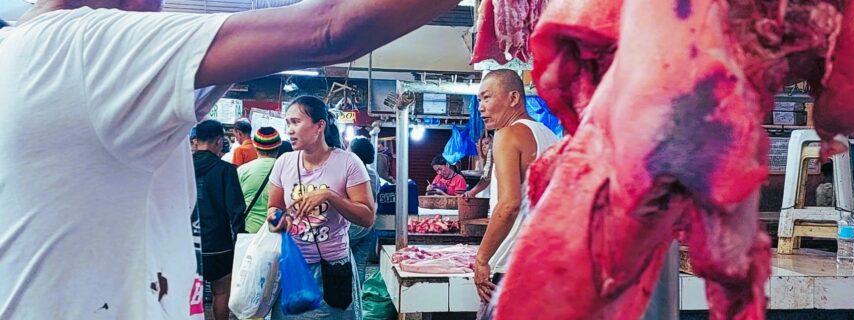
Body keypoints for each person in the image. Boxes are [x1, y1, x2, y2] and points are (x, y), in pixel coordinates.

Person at [0, 0, 458, 317]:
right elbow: (329, 27)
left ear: (321, 126)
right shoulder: (84, 47)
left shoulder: (23, 52)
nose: (160, 8)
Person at [266, 96, 375, 319]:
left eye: (296, 122)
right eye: (287, 123)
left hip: (334, 269)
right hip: (293, 268)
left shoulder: (348, 163)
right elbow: (273, 208)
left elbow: (367, 217)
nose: (289, 130)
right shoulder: (284, 163)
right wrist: (278, 220)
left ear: (319, 126)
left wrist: (329, 196)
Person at [473, 69, 559, 304]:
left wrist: (482, 259)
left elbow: (510, 204)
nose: (481, 106)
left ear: (513, 98)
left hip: (513, 266)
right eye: (479, 99)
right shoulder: (550, 136)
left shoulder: (507, 134)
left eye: (487, 97)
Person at [191, 119, 247, 320]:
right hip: (219, 245)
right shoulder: (226, 170)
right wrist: (240, 241)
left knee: (187, 293)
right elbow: (236, 210)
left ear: (196, 141)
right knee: (221, 291)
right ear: (218, 141)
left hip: (187, 244)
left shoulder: (182, 169)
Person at [347, 136, 379, 285]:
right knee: (360, 265)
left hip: (351, 226)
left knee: (340, 263)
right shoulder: (373, 174)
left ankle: (344, 301)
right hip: (368, 226)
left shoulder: (348, 172)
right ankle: (358, 299)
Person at [239, 126, 282, 234]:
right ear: (278, 146)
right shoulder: (285, 170)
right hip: (276, 230)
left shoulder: (242, 170)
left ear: (255, 146)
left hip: (248, 231)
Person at [464, 132, 494, 199]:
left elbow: (486, 178)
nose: (483, 147)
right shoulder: (482, 162)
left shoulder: (495, 160)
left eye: (486, 143)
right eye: (481, 145)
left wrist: (472, 192)